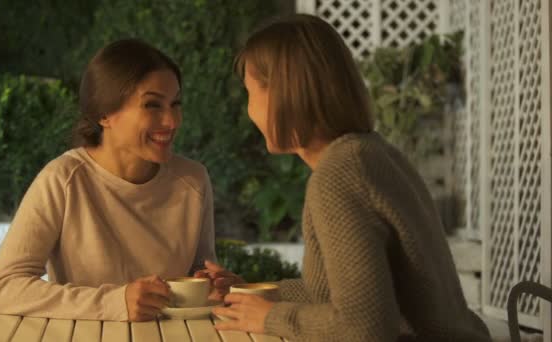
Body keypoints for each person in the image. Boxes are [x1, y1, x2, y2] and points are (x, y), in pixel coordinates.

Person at [197, 14, 492, 341]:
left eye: (250, 93)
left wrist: (271, 318)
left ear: (284, 93)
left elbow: (363, 328)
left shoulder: (339, 175)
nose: (248, 110)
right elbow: (335, 293)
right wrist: (253, 292)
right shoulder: (369, 153)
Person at [0, 39, 216, 322]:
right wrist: (113, 303)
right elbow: (5, 289)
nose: (171, 121)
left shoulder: (193, 180)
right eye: (152, 105)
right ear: (103, 114)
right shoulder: (64, 180)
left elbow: (199, 274)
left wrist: (213, 283)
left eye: (175, 104)